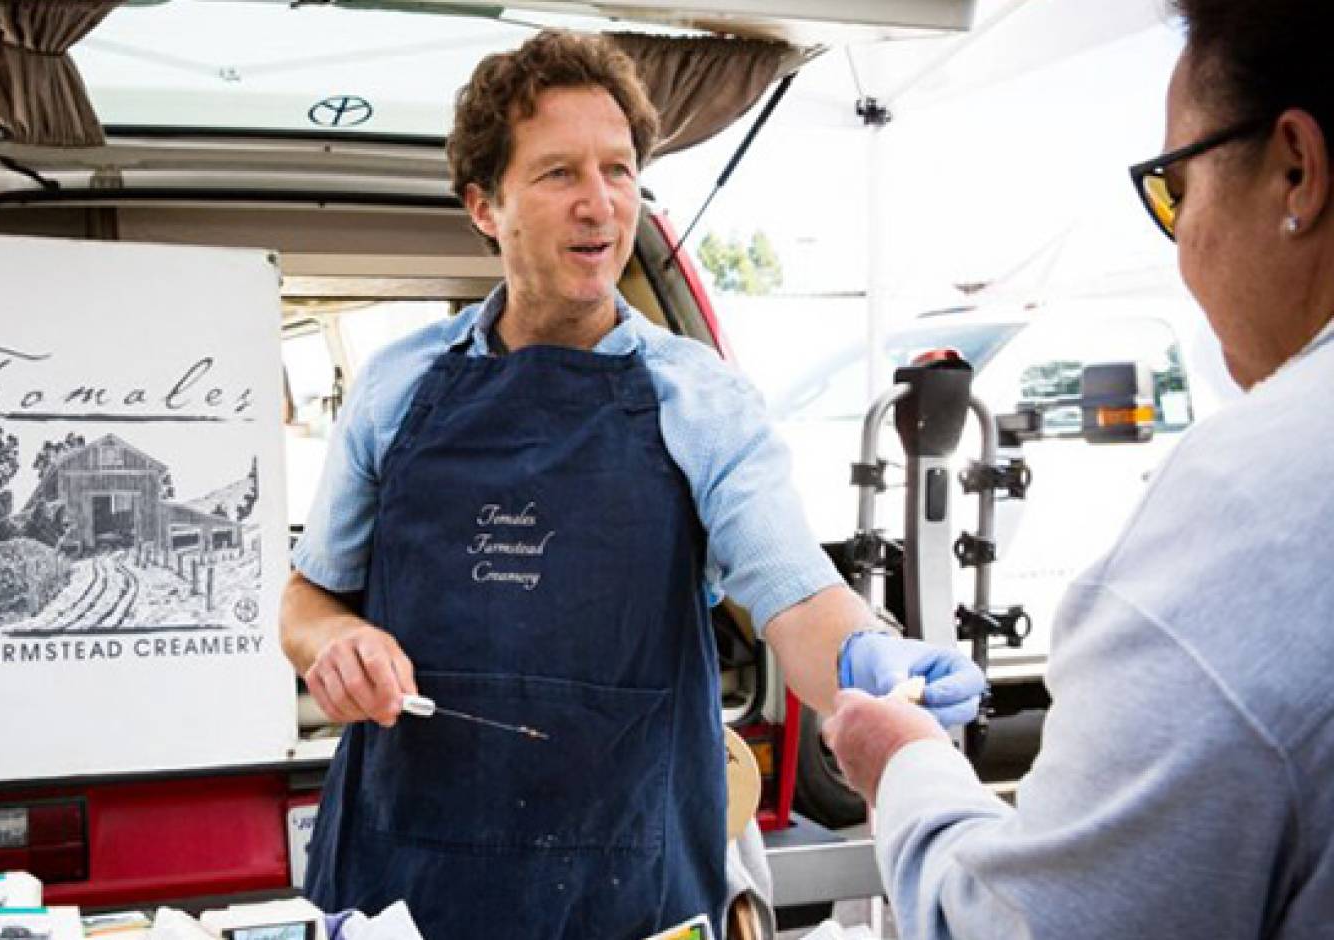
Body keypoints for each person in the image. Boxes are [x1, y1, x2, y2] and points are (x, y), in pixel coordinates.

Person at [281, 29, 985, 940]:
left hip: (630, 876)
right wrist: (333, 642)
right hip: (410, 873)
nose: (599, 204)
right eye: (559, 174)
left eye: (618, 171)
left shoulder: (701, 397)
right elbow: (306, 597)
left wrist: (863, 661)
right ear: (484, 206)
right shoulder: (398, 384)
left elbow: (793, 591)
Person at [823, 0, 1334, 935]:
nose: (1177, 244)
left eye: (1173, 189)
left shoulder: (1260, 501)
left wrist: (904, 761)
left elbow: (1029, 923)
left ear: (1296, 169)